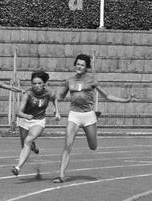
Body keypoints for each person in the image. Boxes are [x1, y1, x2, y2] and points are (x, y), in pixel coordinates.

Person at [53, 54, 138, 183]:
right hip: (74, 115)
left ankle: (94, 121)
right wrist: (53, 101)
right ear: (75, 64)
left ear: (86, 67)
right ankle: (61, 174)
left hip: (88, 116)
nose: (79, 66)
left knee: (93, 146)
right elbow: (60, 97)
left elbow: (107, 95)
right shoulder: (69, 80)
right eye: (78, 64)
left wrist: (125, 100)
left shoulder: (92, 80)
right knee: (68, 145)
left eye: (82, 65)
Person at [11, 71, 61, 176]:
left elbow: (55, 98)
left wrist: (57, 111)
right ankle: (33, 146)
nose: (37, 86)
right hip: (24, 120)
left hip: (38, 121)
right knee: (25, 144)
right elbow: (18, 112)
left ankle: (18, 167)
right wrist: (26, 116)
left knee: (28, 140)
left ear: (44, 84)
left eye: (39, 83)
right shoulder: (28, 94)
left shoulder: (48, 92)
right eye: (34, 83)